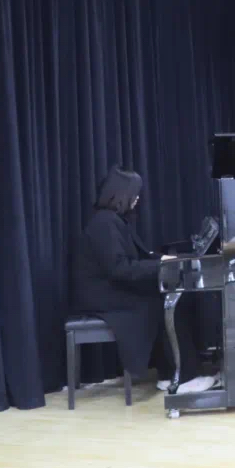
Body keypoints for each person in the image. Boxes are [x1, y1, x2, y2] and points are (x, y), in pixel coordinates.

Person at [71, 167, 216, 394]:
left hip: (107, 288)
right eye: (135, 194)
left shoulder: (112, 221)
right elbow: (119, 269)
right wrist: (161, 265)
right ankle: (185, 377)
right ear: (121, 194)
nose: (137, 198)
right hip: (101, 295)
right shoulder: (105, 224)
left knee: (169, 298)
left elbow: (138, 257)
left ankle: (170, 373)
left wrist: (163, 260)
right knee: (167, 303)